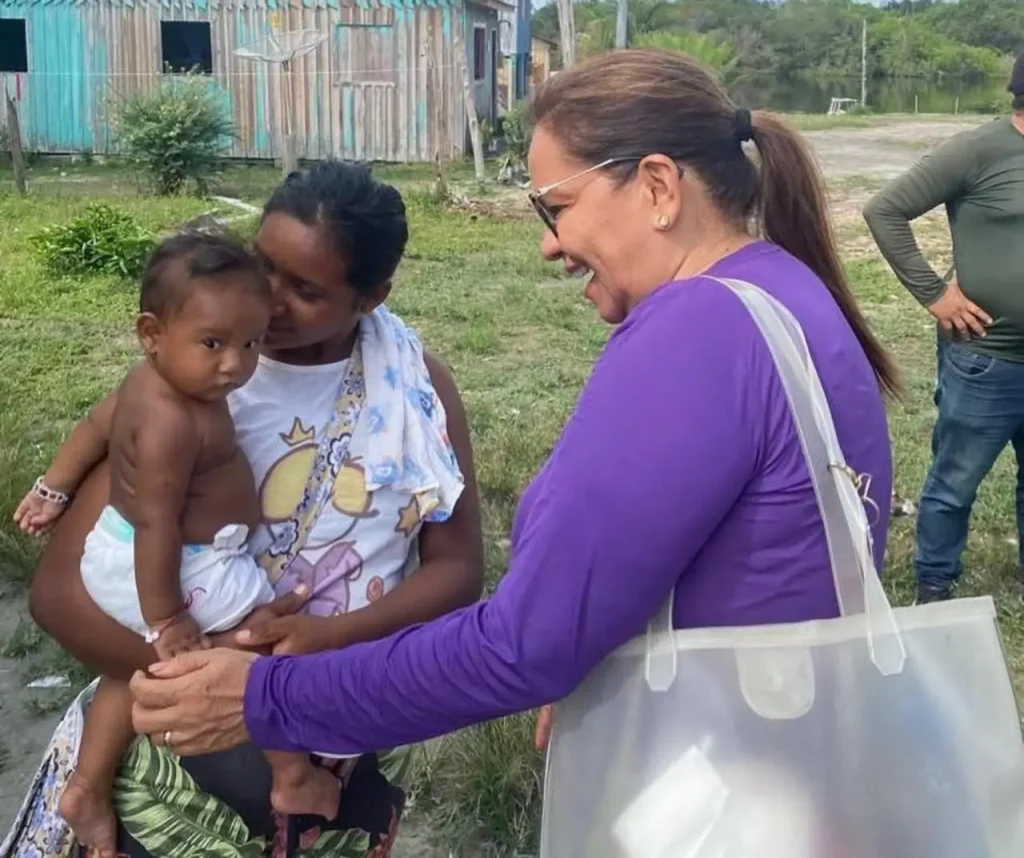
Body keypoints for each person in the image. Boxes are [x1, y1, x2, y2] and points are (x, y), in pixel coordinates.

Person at [128, 48, 895, 786]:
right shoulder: (785, 291)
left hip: (718, 775)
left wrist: (264, 699)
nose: (549, 245)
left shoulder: (698, 331)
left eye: (556, 207)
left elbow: (522, 647)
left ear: (658, 187)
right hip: (788, 743)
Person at [15, 161, 483, 858]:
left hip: (344, 735)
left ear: (372, 296)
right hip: (169, 761)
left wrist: (325, 643)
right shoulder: (193, 383)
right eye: (263, 264)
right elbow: (59, 595)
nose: (269, 299)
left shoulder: (413, 388)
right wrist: (203, 679)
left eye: (306, 290)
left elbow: (458, 570)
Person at [14, 231, 345, 858]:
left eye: (250, 343)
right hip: (171, 562)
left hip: (120, 545)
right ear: (151, 332)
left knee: (129, 670)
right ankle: (293, 777)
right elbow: (158, 526)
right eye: (214, 344)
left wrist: (53, 488)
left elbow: (95, 426)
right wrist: (169, 617)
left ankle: (85, 787)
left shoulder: (147, 383)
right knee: (260, 648)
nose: (234, 365)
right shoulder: (174, 421)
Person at [863, 54, 1024, 604]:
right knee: (956, 480)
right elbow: (885, 210)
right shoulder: (979, 150)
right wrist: (935, 293)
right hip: (987, 357)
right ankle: (934, 581)